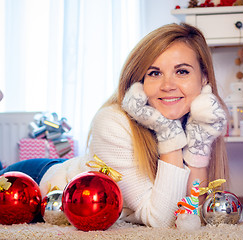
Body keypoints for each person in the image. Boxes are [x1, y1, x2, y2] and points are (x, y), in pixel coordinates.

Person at [0, 23, 229, 227]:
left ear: (204, 78)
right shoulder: (113, 120)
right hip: (37, 179)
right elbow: (162, 220)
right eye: (154, 73)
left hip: (74, 164)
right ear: (139, 82)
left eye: (182, 71)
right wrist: (169, 134)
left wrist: (200, 142)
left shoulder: (199, 120)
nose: (168, 85)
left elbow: (193, 214)